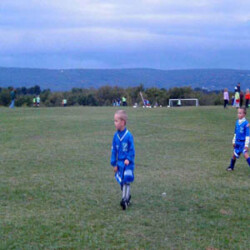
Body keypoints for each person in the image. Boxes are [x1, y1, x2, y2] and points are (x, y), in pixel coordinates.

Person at [110, 110, 135, 210]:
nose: (114, 123)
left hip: (128, 164)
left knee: (126, 180)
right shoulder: (115, 136)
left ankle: (125, 199)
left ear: (123, 122)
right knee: (122, 181)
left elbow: (131, 149)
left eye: (116, 121)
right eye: (114, 121)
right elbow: (114, 151)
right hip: (120, 163)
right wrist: (114, 163)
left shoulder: (128, 136)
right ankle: (126, 196)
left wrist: (128, 159)